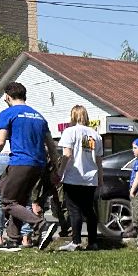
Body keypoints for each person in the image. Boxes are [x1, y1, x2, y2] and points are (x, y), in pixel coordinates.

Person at [0, 81, 59, 251]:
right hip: (39, 165)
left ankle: (41, 225)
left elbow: (0, 143)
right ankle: (13, 240)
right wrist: (55, 169)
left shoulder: (8, 113)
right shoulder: (39, 117)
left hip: (20, 162)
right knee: (19, 201)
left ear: (7, 96)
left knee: (6, 201)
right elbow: (51, 146)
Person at [56, 105, 103, 251]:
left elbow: (67, 154)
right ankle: (93, 242)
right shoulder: (95, 135)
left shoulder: (69, 131)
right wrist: (100, 178)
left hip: (73, 176)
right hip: (90, 177)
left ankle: (76, 241)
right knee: (89, 210)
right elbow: (99, 160)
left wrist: (60, 173)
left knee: (74, 210)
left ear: (73, 116)